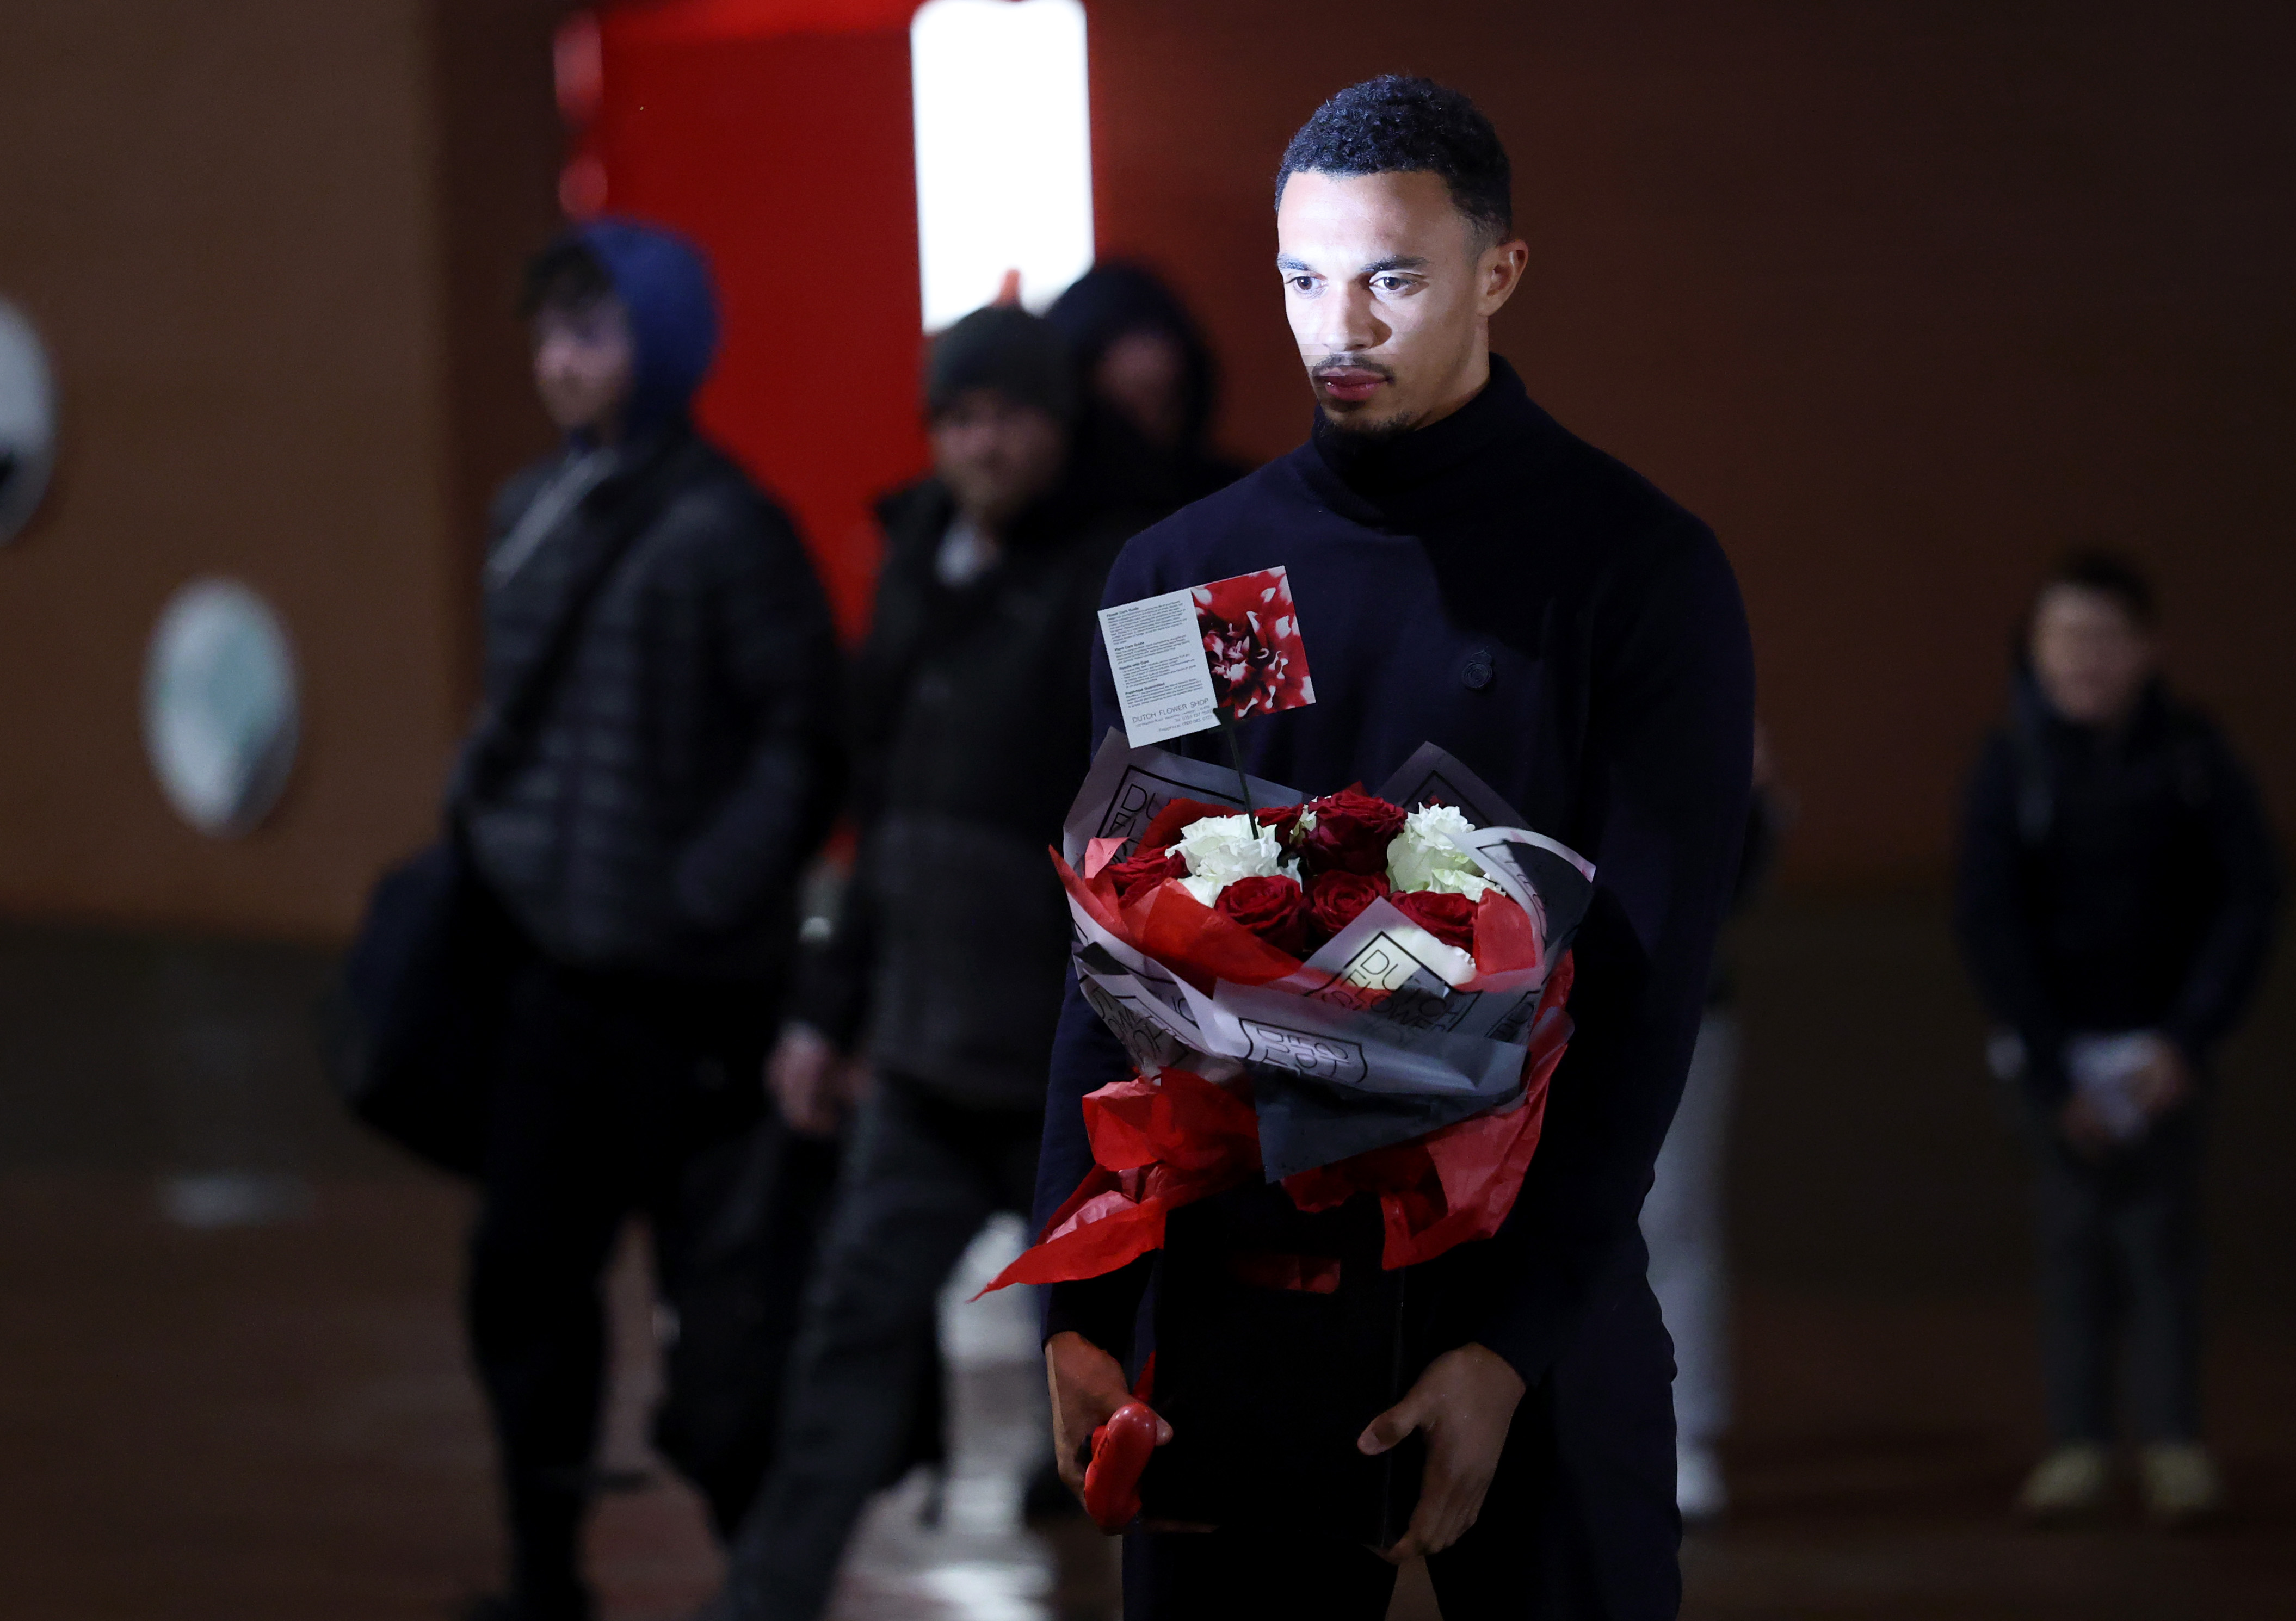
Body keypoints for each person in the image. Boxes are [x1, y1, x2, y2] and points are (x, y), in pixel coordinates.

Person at [1041, 77, 1754, 1619]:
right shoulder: (1195, 573)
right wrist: (1082, 1292)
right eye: (1303, 276)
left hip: (1528, 1294)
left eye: (1392, 275)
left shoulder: (1627, 576)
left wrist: (1508, 1344)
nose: (1338, 323)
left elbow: (1640, 989)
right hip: (1240, 1288)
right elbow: (1110, 958)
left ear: (1498, 273)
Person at [705, 305, 1147, 1621]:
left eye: (1004, 414)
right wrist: (824, 1009)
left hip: (1071, 1076)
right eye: (955, 419)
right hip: (918, 1060)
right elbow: (877, 806)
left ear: (1055, 426)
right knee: (842, 1351)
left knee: (1121, 1386)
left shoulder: (1120, 577)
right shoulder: (912, 563)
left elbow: (1181, 810)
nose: (979, 442)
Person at [455, 220, 845, 1621]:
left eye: (593, 329)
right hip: (556, 988)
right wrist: (506, 855)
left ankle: (757, 1584)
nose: (561, 357)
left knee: (724, 1317)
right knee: (522, 1284)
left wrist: (700, 891)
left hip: (695, 999)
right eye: (549, 329)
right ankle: (542, 1575)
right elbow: (520, 729)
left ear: (662, 346)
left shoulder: (724, 526)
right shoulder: (526, 511)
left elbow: (807, 736)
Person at [1955, 550, 2278, 1526]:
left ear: (2147, 649)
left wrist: (2188, 1039)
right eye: (2065, 638)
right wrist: (2055, 1072)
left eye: (2104, 638)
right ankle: (2079, 1445)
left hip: (2165, 1053)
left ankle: (2176, 1443)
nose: (2084, 659)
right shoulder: (2010, 763)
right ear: (2036, 651)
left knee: (2166, 1245)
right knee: (2070, 1245)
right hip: (2055, 1061)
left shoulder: (2193, 757)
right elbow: (1990, 921)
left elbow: (2249, 896)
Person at [1638, 734, 1784, 1525]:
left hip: (1684, 1004)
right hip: (1537, 993)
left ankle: (1686, 1432)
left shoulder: (1696, 679)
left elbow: (1742, 879)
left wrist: (1750, 797)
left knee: (1675, 1213)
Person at [1045, 262, 1249, 517]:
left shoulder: (1238, 505)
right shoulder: (1044, 524)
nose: (1150, 428)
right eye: (1124, 414)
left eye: (1166, 405)